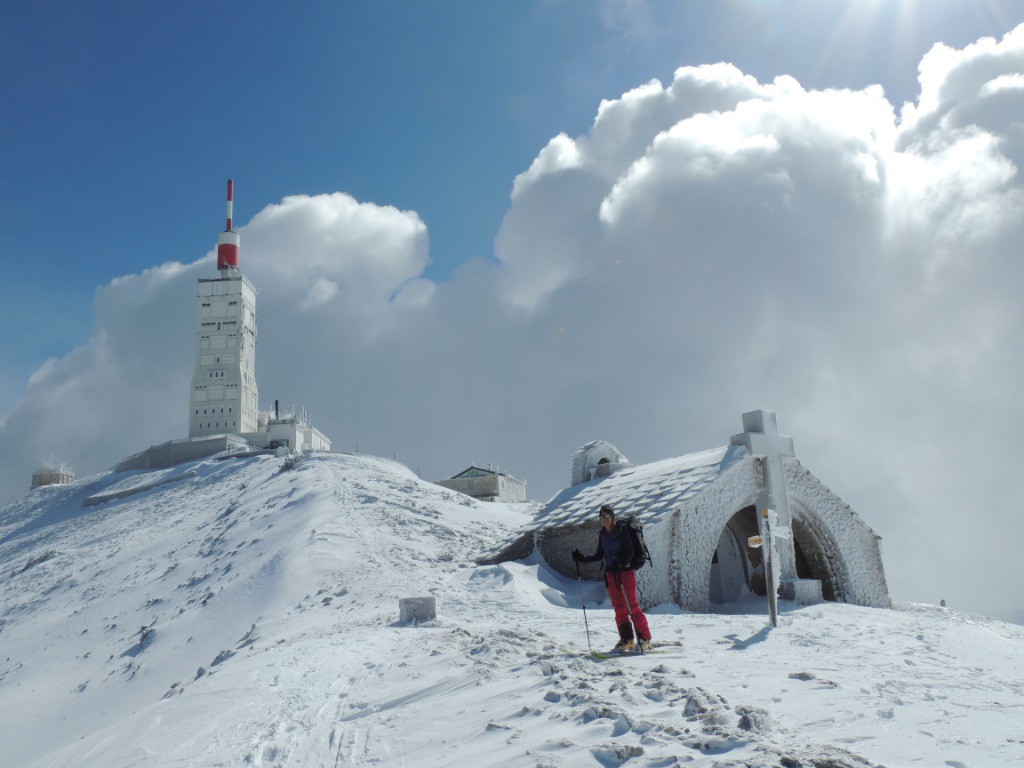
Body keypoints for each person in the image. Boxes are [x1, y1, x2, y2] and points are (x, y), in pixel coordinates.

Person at [572, 504, 652, 651]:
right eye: (602, 517)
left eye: (607, 516)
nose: (604, 520)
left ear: (612, 517)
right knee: (619, 607)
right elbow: (599, 555)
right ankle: (627, 639)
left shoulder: (621, 530)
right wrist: (582, 558)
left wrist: (621, 562)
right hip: (611, 573)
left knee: (632, 605)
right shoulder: (603, 534)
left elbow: (629, 551)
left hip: (625, 573)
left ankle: (644, 639)